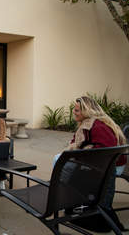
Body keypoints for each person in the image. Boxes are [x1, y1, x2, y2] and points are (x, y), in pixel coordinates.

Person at [54, 96, 127, 232]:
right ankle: (67, 195)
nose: (74, 112)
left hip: (112, 166)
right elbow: (76, 142)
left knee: (61, 161)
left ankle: (64, 195)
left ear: (87, 111)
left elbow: (106, 151)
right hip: (102, 162)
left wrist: (80, 157)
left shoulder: (98, 125)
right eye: (74, 110)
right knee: (60, 159)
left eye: (77, 110)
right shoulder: (86, 124)